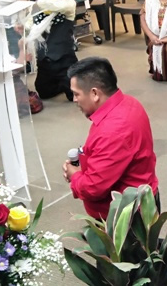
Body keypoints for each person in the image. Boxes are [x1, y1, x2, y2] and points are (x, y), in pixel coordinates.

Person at [63, 57, 160, 220]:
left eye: (76, 94)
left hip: (126, 217)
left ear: (94, 93)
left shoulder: (113, 131)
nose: (74, 100)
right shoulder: (129, 102)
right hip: (142, 197)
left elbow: (93, 188)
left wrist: (75, 176)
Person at [33, 0, 78, 100]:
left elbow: (59, 6)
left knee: (73, 95)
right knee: (44, 92)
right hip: (45, 59)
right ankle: (59, 83)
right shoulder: (40, 3)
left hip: (63, 58)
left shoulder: (68, 2)